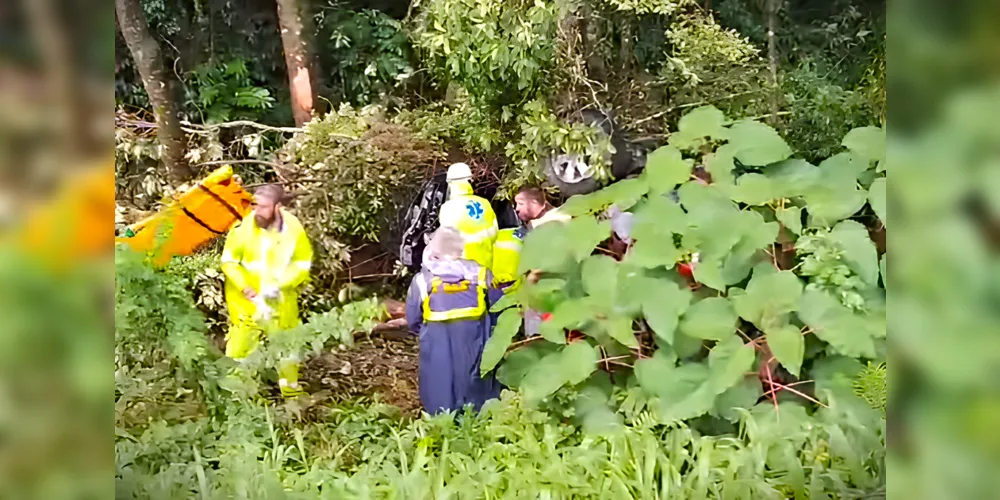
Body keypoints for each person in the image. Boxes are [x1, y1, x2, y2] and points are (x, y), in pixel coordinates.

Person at [220, 184, 313, 398]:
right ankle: (235, 396)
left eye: (263, 207)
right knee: (241, 349)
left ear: (278, 207)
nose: (257, 211)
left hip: (280, 300)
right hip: (246, 302)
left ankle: (291, 395)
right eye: (254, 205)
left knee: (288, 347)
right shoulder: (243, 227)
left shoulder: (293, 229)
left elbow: (302, 264)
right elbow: (228, 262)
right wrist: (245, 287)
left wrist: (281, 284)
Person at [405, 227, 503, 414]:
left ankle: (442, 418)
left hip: (437, 338)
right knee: (477, 376)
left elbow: (413, 318)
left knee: (439, 378)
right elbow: (499, 305)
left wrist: (423, 332)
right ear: (459, 250)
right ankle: (481, 415)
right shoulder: (481, 273)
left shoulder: (422, 280)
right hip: (476, 335)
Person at [438, 163, 498, 270]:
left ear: (450, 184)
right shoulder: (485, 204)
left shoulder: (448, 207)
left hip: (461, 269)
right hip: (486, 267)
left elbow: (445, 242)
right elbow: (494, 234)